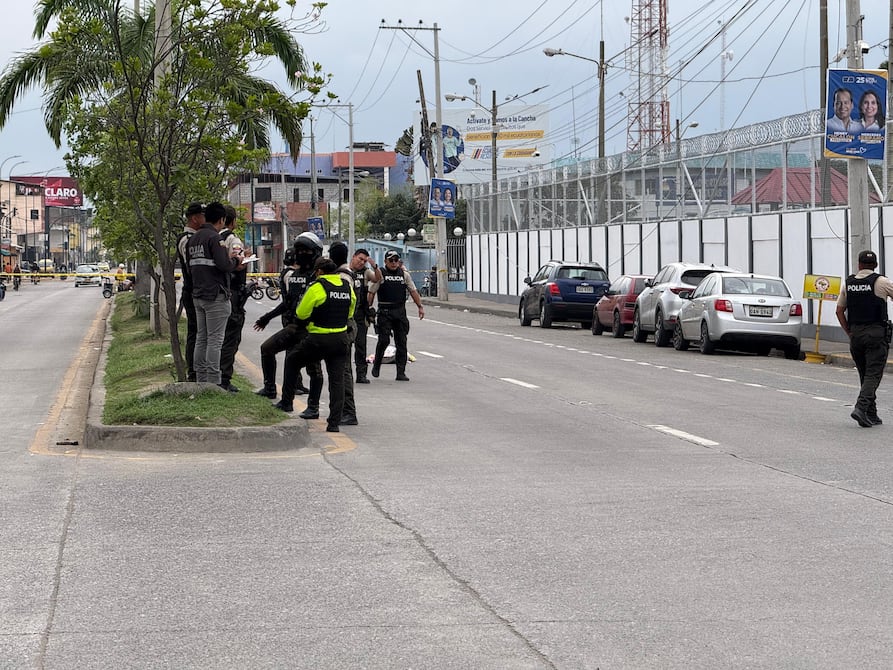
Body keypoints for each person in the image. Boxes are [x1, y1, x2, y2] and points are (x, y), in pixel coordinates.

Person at [277, 257, 356, 432]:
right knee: (337, 381)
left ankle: (286, 402)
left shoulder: (317, 287)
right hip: (341, 339)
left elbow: (301, 313)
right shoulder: (346, 287)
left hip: (318, 339)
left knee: (292, 361)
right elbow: (350, 311)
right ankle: (334, 423)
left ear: (319, 271)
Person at [254, 232, 323, 404]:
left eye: (306, 251)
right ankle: (271, 390)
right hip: (294, 327)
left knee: (313, 369)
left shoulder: (320, 276)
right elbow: (287, 303)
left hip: (313, 329)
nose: (301, 254)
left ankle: (312, 406)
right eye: (299, 250)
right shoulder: (294, 276)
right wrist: (267, 317)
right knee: (267, 348)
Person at [186, 201, 242, 386]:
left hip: (198, 295)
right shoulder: (214, 238)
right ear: (222, 219)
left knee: (201, 338)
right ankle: (213, 381)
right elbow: (224, 265)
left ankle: (201, 378)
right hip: (215, 295)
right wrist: (236, 263)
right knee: (215, 340)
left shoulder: (193, 239)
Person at [835, 249, 893, 427]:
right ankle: (861, 408)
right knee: (873, 374)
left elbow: (839, 311)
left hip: (856, 336)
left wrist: (849, 332)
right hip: (875, 335)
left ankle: (871, 413)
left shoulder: (848, 283)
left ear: (859, 265)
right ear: (875, 265)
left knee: (865, 374)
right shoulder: (881, 281)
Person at [368, 250, 425, 381]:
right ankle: (376, 365)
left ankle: (401, 372)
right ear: (385, 261)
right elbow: (371, 292)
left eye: (396, 260)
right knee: (384, 340)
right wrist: (369, 307)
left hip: (399, 311)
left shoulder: (404, 275)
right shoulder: (380, 274)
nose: (394, 263)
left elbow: (413, 291)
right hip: (385, 312)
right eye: (391, 260)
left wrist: (420, 307)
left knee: (401, 342)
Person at [218, 205, 250, 392]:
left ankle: (215, 374)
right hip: (233, 293)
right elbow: (237, 264)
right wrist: (245, 258)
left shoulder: (215, 239)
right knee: (231, 338)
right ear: (232, 221)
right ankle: (224, 378)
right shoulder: (232, 239)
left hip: (219, 292)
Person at [177, 202, 205, 381]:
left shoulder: (195, 237)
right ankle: (194, 371)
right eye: (203, 215)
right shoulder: (187, 239)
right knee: (195, 332)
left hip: (197, 290)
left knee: (200, 331)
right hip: (193, 290)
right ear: (195, 218)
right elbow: (193, 266)